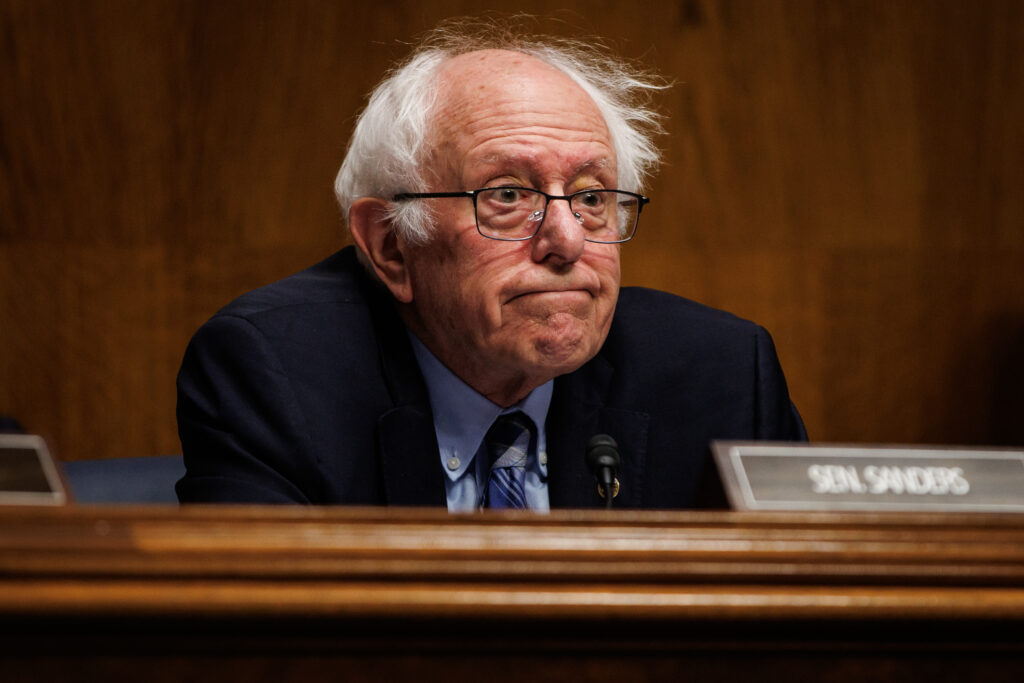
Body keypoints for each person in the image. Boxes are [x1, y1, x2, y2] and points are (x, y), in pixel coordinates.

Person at [175, 20, 806, 509]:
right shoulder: (275, 372)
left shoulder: (721, 375)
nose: (567, 240)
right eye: (507, 195)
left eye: (591, 198)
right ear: (392, 245)